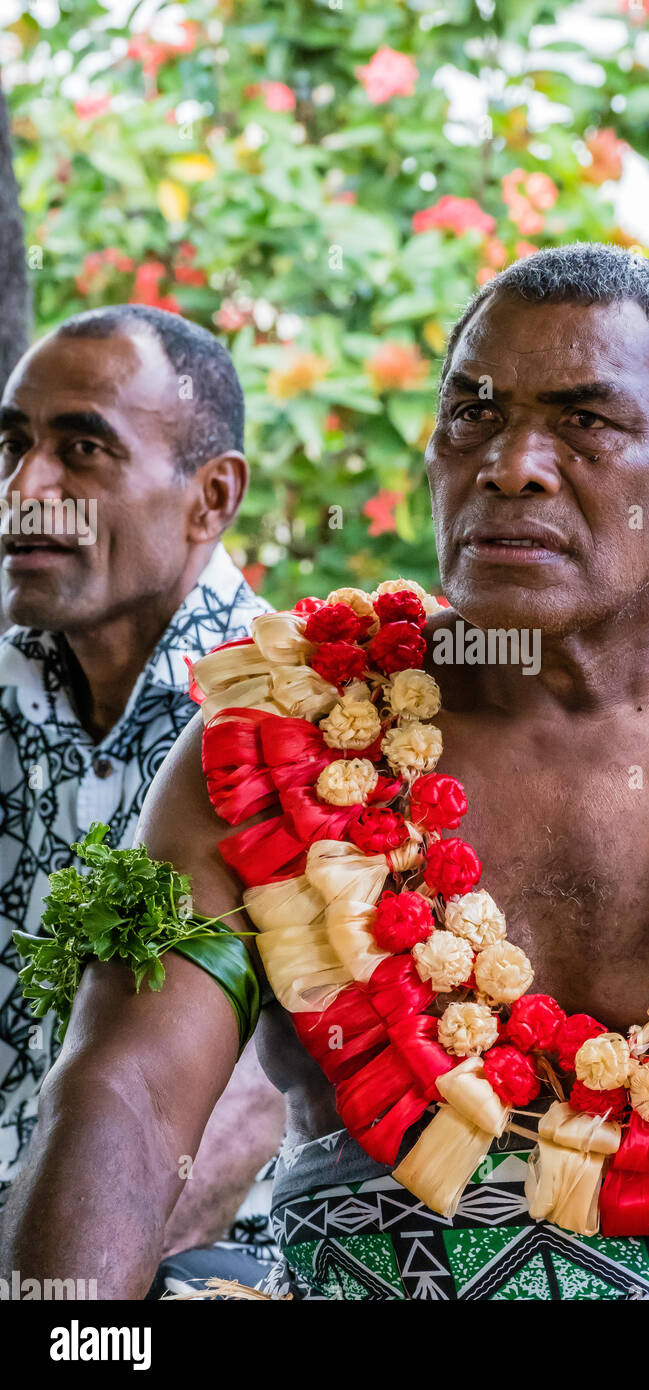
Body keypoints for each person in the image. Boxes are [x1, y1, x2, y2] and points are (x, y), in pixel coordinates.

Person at [3, 246, 649, 1301]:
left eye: (584, 421)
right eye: (472, 414)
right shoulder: (278, 749)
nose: (511, 464)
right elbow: (129, 1097)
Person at [0, 305, 284, 1280]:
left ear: (211, 497)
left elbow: (243, 1117)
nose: (25, 489)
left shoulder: (307, 732)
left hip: (202, 1258)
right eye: (13, 444)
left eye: (82, 449)